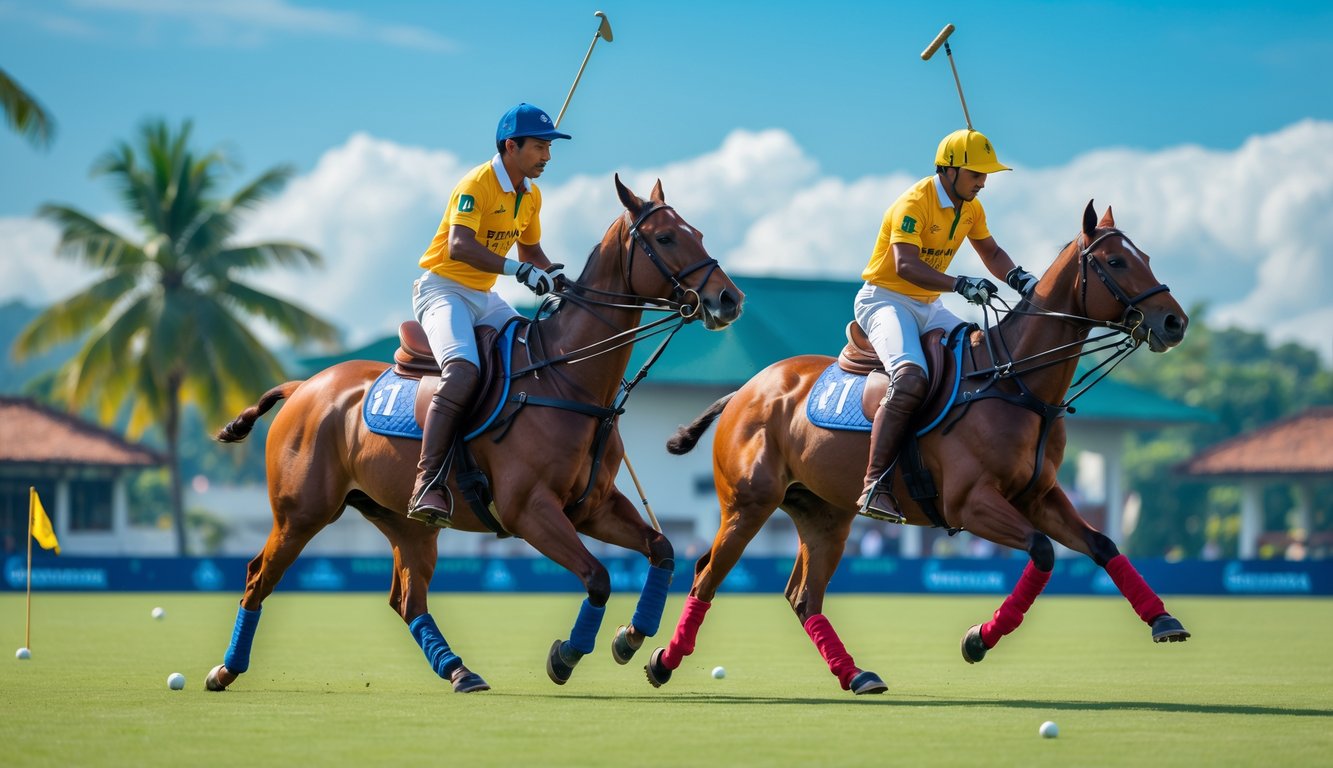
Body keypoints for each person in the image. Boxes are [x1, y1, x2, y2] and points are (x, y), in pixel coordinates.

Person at [854, 128, 1039, 522]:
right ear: (950, 169)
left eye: (986, 175)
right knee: (909, 378)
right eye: (976, 173)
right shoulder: (914, 202)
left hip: (927, 303)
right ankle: (874, 485)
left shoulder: (970, 207)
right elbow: (906, 265)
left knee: (979, 355)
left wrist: (1020, 278)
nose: (983, 182)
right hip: (885, 298)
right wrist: (960, 284)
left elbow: (990, 250)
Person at [407, 103, 571, 528]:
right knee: (462, 371)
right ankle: (427, 482)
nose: (547, 157)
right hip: (443, 289)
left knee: (533, 352)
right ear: (510, 146)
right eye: (539, 147)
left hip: (484, 294)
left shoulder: (531, 196)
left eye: (549, 148)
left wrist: (555, 278)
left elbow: (530, 251)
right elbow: (460, 246)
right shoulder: (476, 183)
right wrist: (519, 271)